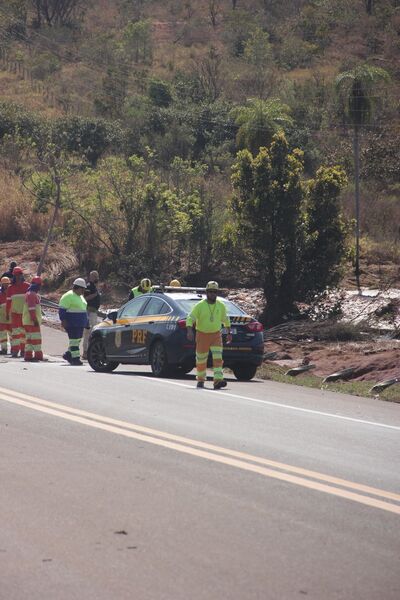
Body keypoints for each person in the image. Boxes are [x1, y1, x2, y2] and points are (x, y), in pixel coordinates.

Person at [186, 281, 232, 390]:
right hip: (202, 335)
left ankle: (218, 381)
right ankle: (200, 380)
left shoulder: (221, 305)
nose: (212, 294)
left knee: (218, 358)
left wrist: (229, 332)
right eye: (210, 291)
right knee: (201, 360)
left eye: (214, 292)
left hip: (216, 335)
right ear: (207, 292)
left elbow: (225, 319)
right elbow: (190, 318)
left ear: (217, 293)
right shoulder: (200, 305)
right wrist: (189, 330)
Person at [59, 278, 88, 366]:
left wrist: (87, 322)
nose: (83, 291)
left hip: (80, 323)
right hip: (72, 323)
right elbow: (62, 310)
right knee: (74, 341)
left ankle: (68, 354)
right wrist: (63, 320)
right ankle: (75, 359)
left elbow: (83, 310)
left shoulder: (81, 297)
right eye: (82, 289)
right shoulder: (68, 296)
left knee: (77, 340)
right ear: (77, 287)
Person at [6, 266, 29, 357]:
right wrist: (7, 313)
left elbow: (30, 301)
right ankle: (15, 350)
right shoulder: (10, 288)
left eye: (19, 275)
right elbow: (8, 302)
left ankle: (23, 350)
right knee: (15, 333)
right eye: (15, 275)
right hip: (14, 314)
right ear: (13, 276)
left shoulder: (27, 286)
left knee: (23, 333)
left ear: (21, 275)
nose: (17, 277)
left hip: (24, 314)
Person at [22, 276, 44, 362]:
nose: (40, 287)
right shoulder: (32, 294)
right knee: (36, 339)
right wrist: (35, 320)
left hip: (28, 321)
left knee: (29, 340)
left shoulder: (30, 293)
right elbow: (32, 309)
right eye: (40, 285)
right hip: (32, 322)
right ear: (37, 285)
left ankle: (28, 355)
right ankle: (38, 356)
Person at [82, 270, 101, 360]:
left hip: (94, 312)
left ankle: (90, 350)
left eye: (97, 276)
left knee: (92, 332)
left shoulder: (96, 286)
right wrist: (95, 294)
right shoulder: (89, 286)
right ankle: (85, 351)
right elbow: (85, 298)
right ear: (91, 277)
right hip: (89, 311)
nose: (96, 278)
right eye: (94, 276)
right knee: (87, 332)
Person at [0, 276, 11, 354]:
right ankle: (4, 349)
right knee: (3, 334)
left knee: (12, 334)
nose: (6, 285)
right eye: (4, 284)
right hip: (2, 317)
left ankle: (14, 349)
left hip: (10, 317)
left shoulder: (11, 292)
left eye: (7, 284)